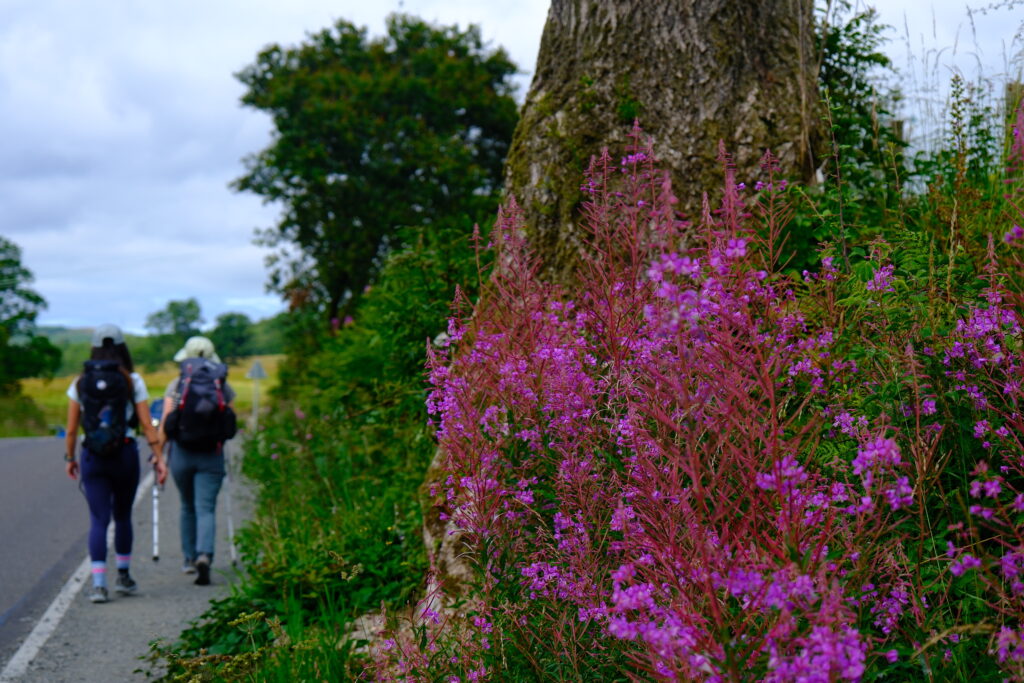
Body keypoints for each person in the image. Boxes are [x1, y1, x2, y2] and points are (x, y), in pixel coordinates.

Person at [64, 324, 168, 604]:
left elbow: (72, 429)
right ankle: (123, 576)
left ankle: (99, 584)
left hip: (92, 457)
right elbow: (147, 424)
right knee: (122, 516)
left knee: (98, 519)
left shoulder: (80, 382)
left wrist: (71, 458)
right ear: (123, 347)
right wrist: (159, 457)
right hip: (124, 454)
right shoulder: (132, 380)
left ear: (94, 348)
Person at [159, 335, 236, 586]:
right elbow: (229, 420)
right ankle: (205, 555)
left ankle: (189, 558)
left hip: (182, 453)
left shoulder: (177, 384)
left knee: (187, 505)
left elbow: (166, 422)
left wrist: (158, 454)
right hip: (211, 455)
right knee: (206, 508)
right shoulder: (221, 384)